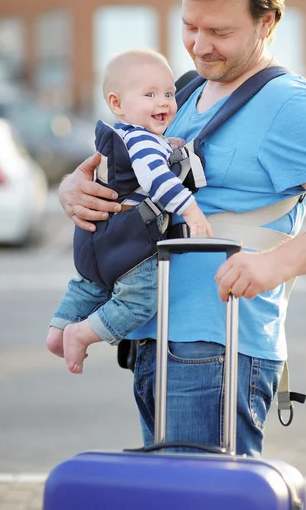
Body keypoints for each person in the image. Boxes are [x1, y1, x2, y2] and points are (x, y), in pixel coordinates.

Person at [58, 0, 306, 455]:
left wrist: (272, 266)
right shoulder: (179, 94)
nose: (200, 45)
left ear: (267, 21)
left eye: (220, 31)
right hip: (152, 339)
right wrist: (72, 188)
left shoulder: (291, 105)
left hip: (218, 348)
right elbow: (120, 170)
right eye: (190, 26)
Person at [47, 49, 212, 374]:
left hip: (96, 243)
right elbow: (157, 179)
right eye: (150, 94)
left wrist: (170, 145)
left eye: (167, 93)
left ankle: (58, 332)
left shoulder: (125, 135)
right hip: (128, 248)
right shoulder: (143, 142)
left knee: (88, 287)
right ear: (117, 104)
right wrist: (190, 210)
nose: (163, 102)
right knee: (139, 302)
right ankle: (80, 335)